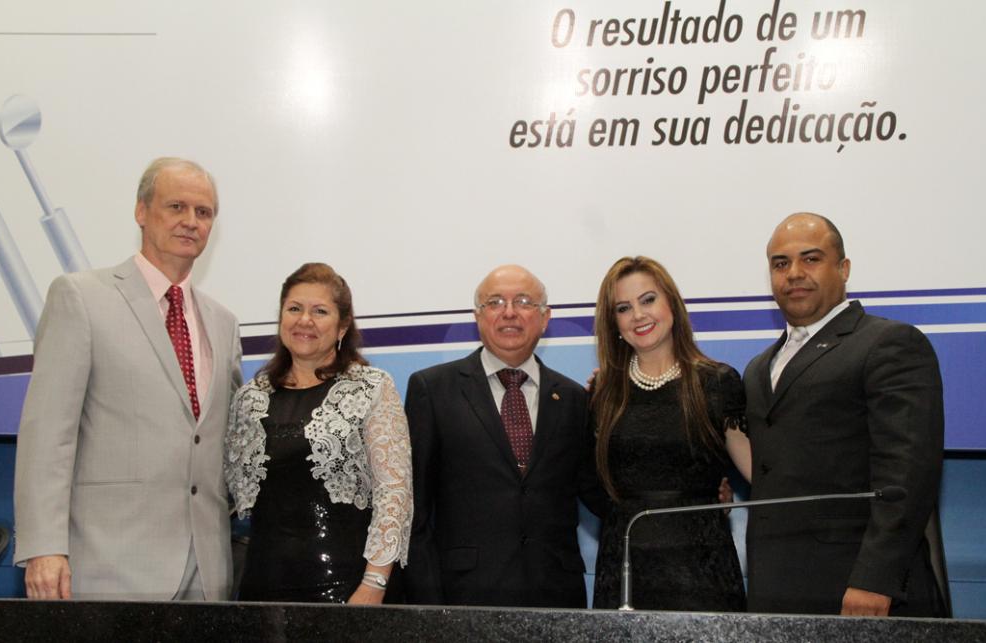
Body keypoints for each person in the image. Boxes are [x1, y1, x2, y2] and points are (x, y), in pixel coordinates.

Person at [13, 157, 243, 600]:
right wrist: (44, 548)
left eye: (203, 212)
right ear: (141, 211)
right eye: (176, 207)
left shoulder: (223, 322)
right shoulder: (81, 298)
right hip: (106, 566)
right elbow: (48, 433)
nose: (190, 222)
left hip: (208, 572)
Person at [744, 212, 945, 616]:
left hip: (859, 592)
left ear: (844, 268)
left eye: (811, 259)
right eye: (780, 263)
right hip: (775, 591)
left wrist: (876, 578)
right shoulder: (757, 367)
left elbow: (907, 472)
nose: (794, 273)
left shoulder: (888, 343)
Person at [404, 264, 607, 607]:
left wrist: (693, 497)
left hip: (556, 597)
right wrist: (426, 602)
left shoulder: (574, 398)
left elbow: (599, 493)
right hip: (462, 597)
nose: (509, 312)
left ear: (545, 318)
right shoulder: (433, 389)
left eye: (524, 302)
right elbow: (414, 510)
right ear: (478, 317)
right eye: (495, 302)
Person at [224, 262, 411, 604]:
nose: (304, 320)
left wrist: (374, 584)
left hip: (348, 589)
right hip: (262, 588)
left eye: (320, 311)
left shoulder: (371, 388)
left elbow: (394, 495)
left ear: (342, 326)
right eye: (294, 308)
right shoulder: (249, 397)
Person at [588, 256, 751, 610]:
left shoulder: (718, 383)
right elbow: (588, 482)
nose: (639, 315)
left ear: (672, 304)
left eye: (648, 300)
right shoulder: (602, 392)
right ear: (613, 322)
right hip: (624, 571)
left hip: (703, 574)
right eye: (623, 308)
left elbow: (761, 473)